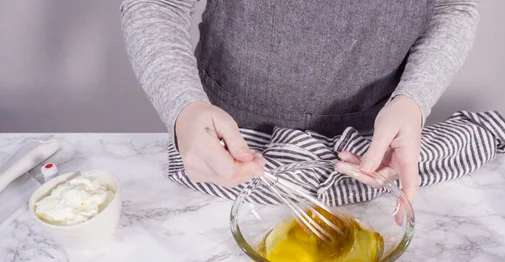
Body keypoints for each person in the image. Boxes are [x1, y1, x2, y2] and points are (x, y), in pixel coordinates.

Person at [120, 0, 479, 202]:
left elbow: (453, 6)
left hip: (369, 152)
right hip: (229, 149)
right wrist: (183, 106)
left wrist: (414, 99)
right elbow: (157, 4)